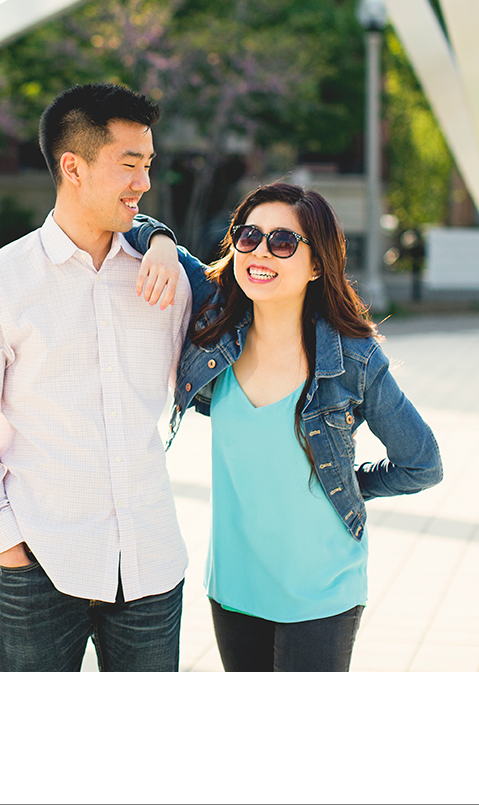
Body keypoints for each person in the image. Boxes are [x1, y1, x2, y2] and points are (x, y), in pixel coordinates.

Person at [133, 182, 442, 672]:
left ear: (317, 265)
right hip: (234, 583)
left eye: (282, 242)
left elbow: (422, 464)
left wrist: (347, 485)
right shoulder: (218, 314)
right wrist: (162, 243)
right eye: (248, 236)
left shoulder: (353, 357)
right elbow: (130, 221)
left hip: (321, 589)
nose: (260, 252)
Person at [0, 83, 192, 672]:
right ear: (73, 167)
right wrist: (8, 544)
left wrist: (163, 239)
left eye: (148, 164)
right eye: (129, 164)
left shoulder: (166, 277)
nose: (144, 183)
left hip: (151, 563)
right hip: (42, 565)